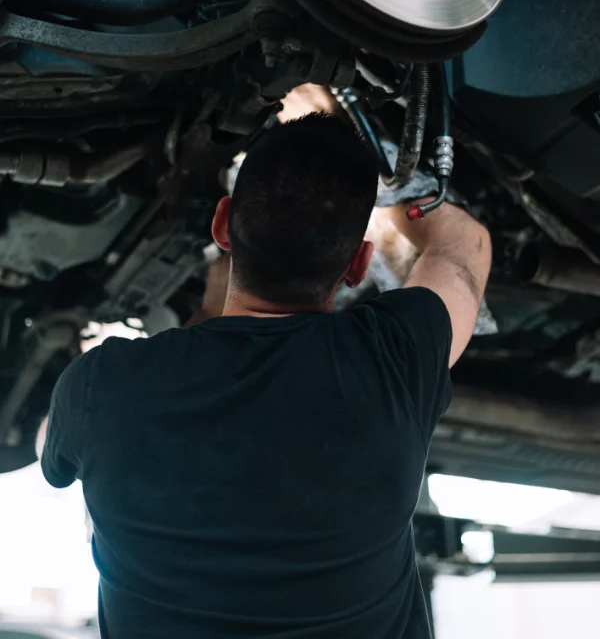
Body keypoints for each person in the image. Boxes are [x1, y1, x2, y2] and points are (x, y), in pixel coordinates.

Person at [40, 112, 491, 639]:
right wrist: (398, 193)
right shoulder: (394, 358)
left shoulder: (99, 388)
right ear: (358, 264)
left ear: (223, 224)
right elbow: (465, 247)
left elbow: (54, 457)